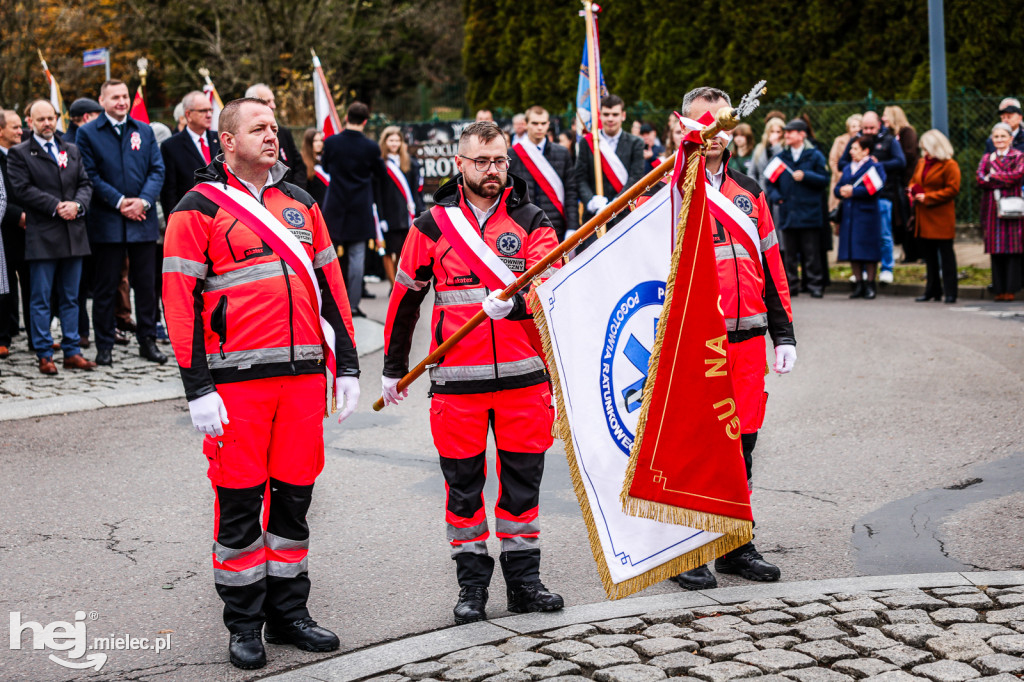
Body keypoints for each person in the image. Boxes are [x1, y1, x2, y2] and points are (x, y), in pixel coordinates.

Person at [162, 97, 360, 670]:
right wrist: (197, 388)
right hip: (237, 385)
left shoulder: (301, 202)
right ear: (227, 141)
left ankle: (290, 614)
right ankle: (244, 623)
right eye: (258, 128)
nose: (272, 135)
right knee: (240, 505)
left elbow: (331, 289)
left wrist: (347, 366)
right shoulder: (196, 208)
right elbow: (179, 303)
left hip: (302, 382)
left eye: (274, 128)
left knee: (295, 501)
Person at [381, 121, 564, 624]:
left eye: (499, 160)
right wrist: (393, 368)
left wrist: (518, 305)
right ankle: (472, 587)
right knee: (463, 493)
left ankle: (524, 584)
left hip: (524, 380)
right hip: (457, 383)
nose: (491, 170)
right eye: (481, 161)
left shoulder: (532, 219)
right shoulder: (430, 226)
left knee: (522, 489)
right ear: (459, 164)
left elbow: (551, 288)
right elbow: (405, 299)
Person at [670, 88, 796, 591]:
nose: (713, 134)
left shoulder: (750, 191)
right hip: (696, 341)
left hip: (748, 340)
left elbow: (771, 263)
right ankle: (689, 548)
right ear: (686, 127)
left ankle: (735, 544)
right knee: (698, 446)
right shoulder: (669, 188)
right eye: (702, 124)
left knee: (742, 443)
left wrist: (783, 332)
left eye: (720, 124)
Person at [76, 79, 167, 366]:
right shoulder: (87, 133)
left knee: (147, 286)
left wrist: (143, 201)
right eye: (115, 97)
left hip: (142, 220)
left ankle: (147, 341)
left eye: (125, 96)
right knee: (106, 288)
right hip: (107, 223)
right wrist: (119, 202)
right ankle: (104, 345)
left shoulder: (144, 130)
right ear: (102, 101)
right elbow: (89, 174)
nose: (122, 101)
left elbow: (157, 170)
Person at [7, 100, 96, 374]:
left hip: (73, 234)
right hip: (43, 235)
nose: (47, 123)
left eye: (51, 118)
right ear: (30, 122)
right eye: (41, 119)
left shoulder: (71, 149)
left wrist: (77, 205)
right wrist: (56, 206)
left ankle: (72, 350)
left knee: (71, 297)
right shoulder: (20, 153)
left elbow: (85, 183)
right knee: (41, 298)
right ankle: (44, 353)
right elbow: (21, 189)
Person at [320, 101, 386, 318]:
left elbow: (326, 167)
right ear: (365, 121)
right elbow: (380, 173)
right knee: (357, 258)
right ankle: (353, 305)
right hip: (360, 207)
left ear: (347, 117)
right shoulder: (371, 147)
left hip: (335, 205)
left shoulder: (331, 142)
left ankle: (331, 303)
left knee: (329, 256)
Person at [839, 111, 905, 284]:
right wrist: (858, 164)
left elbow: (900, 162)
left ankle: (887, 268)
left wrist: (875, 166)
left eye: (871, 128)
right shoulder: (856, 141)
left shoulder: (889, 140)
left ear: (879, 125)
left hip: (883, 195)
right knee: (859, 237)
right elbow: (841, 163)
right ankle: (861, 273)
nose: (868, 131)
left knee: (883, 235)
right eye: (865, 128)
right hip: (857, 199)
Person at [766, 120, 830, 298]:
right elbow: (770, 183)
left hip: (809, 212)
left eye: (791, 132)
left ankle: (815, 284)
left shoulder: (815, 155)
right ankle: (791, 285)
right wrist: (778, 198)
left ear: (802, 134)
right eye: (786, 132)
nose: (786, 135)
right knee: (790, 254)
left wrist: (806, 175)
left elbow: (824, 179)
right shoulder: (781, 158)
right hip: (788, 211)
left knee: (811, 252)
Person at [508, 106, 579, 240]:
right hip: (523, 227)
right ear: (526, 124)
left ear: (548, 124)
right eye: (535, 123)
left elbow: (571, 191)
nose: (539, 127)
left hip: (556, 226)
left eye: (543, 123)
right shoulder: (512, 154)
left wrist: (572, 227)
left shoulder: (562, 153)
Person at [574, 94, 645, 223]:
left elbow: (636, 177)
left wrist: (616, 203)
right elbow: (580, 177)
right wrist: (591, 201)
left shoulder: (636, 143)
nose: (610, 119)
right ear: (600, 115)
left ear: (623, 116)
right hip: (594, 217)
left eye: (615, 114)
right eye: (606, 114)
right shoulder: (587, 142)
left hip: (625, 215)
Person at [909, 130, 960, 304]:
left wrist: (929, 197)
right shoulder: (922, 162)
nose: (925, 153)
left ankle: (951, 292)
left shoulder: (949, 165)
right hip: (923, 215)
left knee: (946, 256)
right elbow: (914, 181)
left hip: (941, 216)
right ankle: (932, 290)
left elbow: (952, 189)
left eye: (928, 149)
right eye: (923, 149)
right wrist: (912, 190)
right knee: (929, 257)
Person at [834, 135, 886, 299]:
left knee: (868, 251)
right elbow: (837, 187)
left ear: (866, 151)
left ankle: (870, 284)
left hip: (867, 215)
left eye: (855, 148)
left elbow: (876, 188)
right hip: (849, 216)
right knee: (853, 251)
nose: (851, 151)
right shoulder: (848, 168)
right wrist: (841, 191)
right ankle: (858, 284)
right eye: (851, 148)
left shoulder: (874, 167)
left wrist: (854, 192)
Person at [977, 122, 1024, 301]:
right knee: (995, 249)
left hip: (1013, 206)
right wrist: (1003, 178)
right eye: (996, 137)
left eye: (1003, 136)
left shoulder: (1018, 156)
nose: (999, 140)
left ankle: (1011, 289)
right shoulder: (987, 158)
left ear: (1011, 138)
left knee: (1013, 249)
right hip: (991, 208)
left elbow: (1017, 176)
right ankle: (998, 288)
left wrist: (993, 176)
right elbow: (980, 179)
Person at [377, 125, 425, 286]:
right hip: (388, 213)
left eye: (397, 140)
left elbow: (415, 190)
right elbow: (377, 192)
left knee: (401, 251)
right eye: (391, 140)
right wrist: (380, 217)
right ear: (385, 142)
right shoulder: (380, 163)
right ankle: (392, 284)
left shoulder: (408, 162)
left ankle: (398, 283)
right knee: (387, 251)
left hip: (405, 214)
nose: (394, 143)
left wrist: (416, 211)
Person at [160, 91, 221, 214]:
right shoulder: (171, 146)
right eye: (203, 111)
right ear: (188, 114)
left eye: (210, 110)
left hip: (221, 211)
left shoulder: (220, 139)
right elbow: (169, 192)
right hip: (191, 213)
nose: (209, 115)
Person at [0, 109, 28, 358]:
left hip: (30, 231)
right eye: (15, 127)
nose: (21, 131)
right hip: (5, 231)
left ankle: (36, 335)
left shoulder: (25, 154)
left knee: (33, 285)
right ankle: (3, 336)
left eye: (21, 126)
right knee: (4, 286)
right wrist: (17, 215)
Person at [244, 84, 307, 189]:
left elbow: (299, 166)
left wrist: (294, 192)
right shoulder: (244, 136)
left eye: (273, 130)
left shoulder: (284, 133)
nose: (273, 106)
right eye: (268, 101)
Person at [829, 114, 862, 217]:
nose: (856, 129)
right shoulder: (840, 141)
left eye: (859, 126)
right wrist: (840, 175)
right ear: (848, 128)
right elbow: (833, 160)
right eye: (853, 126)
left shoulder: (864, 141)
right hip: (840, 179)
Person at [751, 117, 785, 194]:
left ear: (783, 133)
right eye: (772, 131)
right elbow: (751, 172)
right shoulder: (759, 148)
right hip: (761, 190)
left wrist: (776, 146)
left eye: (778, 132)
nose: (775, 135)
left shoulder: (785, 148)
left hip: (778, 192)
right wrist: (757, 188)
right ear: (767, 132)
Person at [300, 128, 327, 207]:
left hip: (326, 206)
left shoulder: (324, 160)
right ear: (309, 142)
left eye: (321, 140)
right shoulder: (302, 162)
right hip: (312, 206)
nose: (319, 143)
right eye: (315, 141)